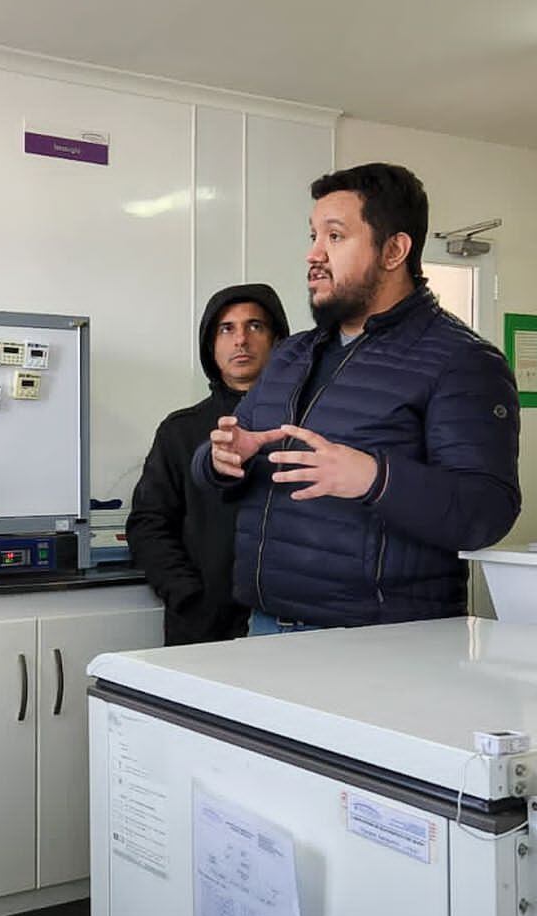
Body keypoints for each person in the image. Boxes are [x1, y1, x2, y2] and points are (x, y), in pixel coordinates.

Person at [201, 162, 520, 636]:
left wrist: (372, 477)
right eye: (313, 236)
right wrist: (221, 459)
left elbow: (487, 512)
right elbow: (222, 459)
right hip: (267, 626)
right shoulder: (292, 354)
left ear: (394, 250)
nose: (313, 255)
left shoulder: (462, 361)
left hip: (381, 640)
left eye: (335, 237)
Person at [127, 284, 289, 644]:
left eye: (255, 326)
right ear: (211, 346)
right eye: (226, 329)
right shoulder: (180, 431)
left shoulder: (303, 425)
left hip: (290, 626)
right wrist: (188, 595)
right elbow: (148, 524)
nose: (241, 340)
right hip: (203, 629)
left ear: (278, 339)